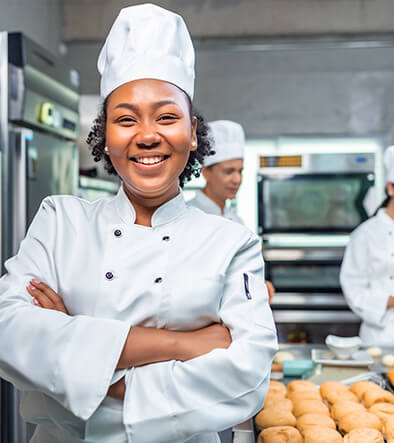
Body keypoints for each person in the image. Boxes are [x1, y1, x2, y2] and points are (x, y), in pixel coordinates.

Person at [0, 4, 277, 443]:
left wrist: (84, 367)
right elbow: (8, 331)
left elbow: (248, 376)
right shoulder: (60, 220)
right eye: (125, 119)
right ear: (105, 137)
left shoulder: (232, 243)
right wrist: (182, 345)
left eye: (166, 116)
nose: (147, 135)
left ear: (192, 132)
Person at [188, 120, 275, 304]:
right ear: (206, 172)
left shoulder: (235, 220)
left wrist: (258, 287)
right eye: (228, 172)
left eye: (240, 171)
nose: (237, 179)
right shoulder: (189, 219)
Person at [340, 145, 394, 345]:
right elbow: (353, 289)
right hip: (379, 338)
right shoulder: (365, 234)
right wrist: (389, 301)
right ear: (390, 188)